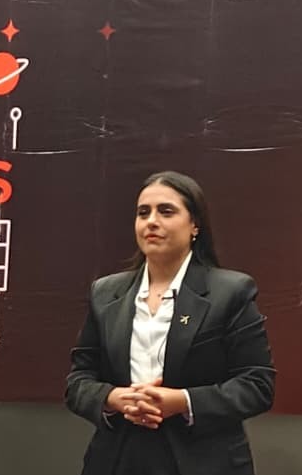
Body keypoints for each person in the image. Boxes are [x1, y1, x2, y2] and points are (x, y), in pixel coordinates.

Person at [66, 171, 275, 475]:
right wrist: (113, 398)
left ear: (194, 225)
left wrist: (182, 401)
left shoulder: (231, 292)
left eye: (166, 211)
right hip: (117, 458)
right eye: (143, 213)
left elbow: (257, 385)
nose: (151, 221)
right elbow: (78, 381)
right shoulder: (105, 293)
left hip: (203, 460)